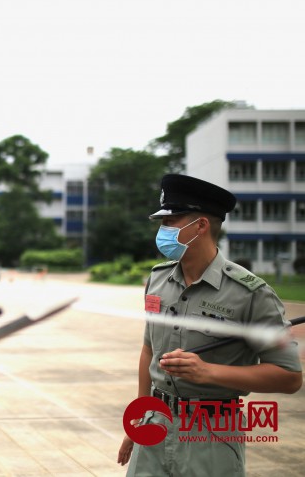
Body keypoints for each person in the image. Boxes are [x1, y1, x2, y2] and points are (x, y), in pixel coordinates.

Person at [118, 174, 302, 476]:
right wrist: (138, 418)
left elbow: (289, 377)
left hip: (211, 433)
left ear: (200, 226)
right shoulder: (158, 280)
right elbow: (148, 350)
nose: (162, 230)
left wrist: (209, 372)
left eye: (171, 221)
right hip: (155, 424)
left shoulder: (250, 294)